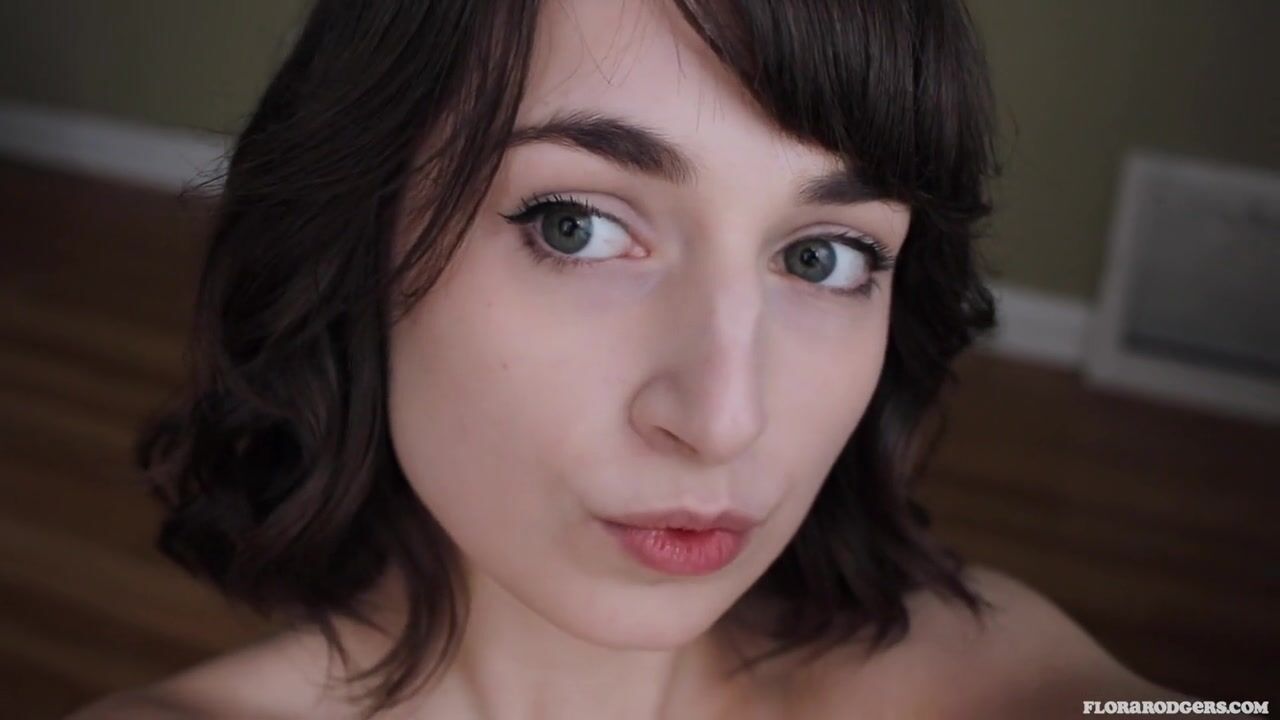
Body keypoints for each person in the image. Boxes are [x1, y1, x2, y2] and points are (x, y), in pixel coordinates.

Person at [70, 0, 1198, 718]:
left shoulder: (982, 671)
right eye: (576, 227)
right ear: (354, 236)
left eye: (824, 255)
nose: (721, 418)